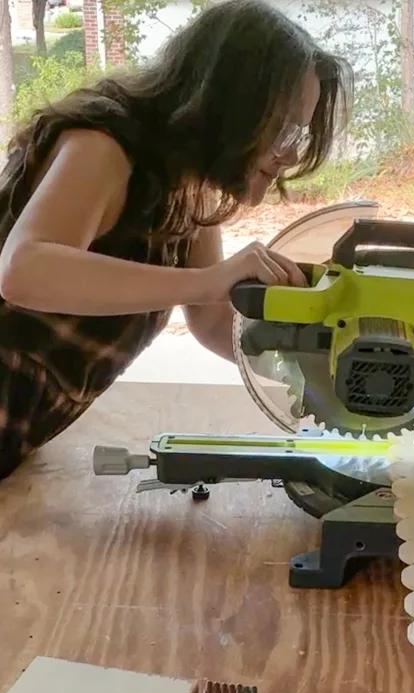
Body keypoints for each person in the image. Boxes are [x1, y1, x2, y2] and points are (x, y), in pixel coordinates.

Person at [0, 0, 352, 480]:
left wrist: (318, 363)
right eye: (284, 127)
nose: (289, 153)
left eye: (300, 134)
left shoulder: (190, 189)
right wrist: (211, 280)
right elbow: (24, 271)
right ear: (232, 101)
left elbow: (212, 321)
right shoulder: (105, 144)